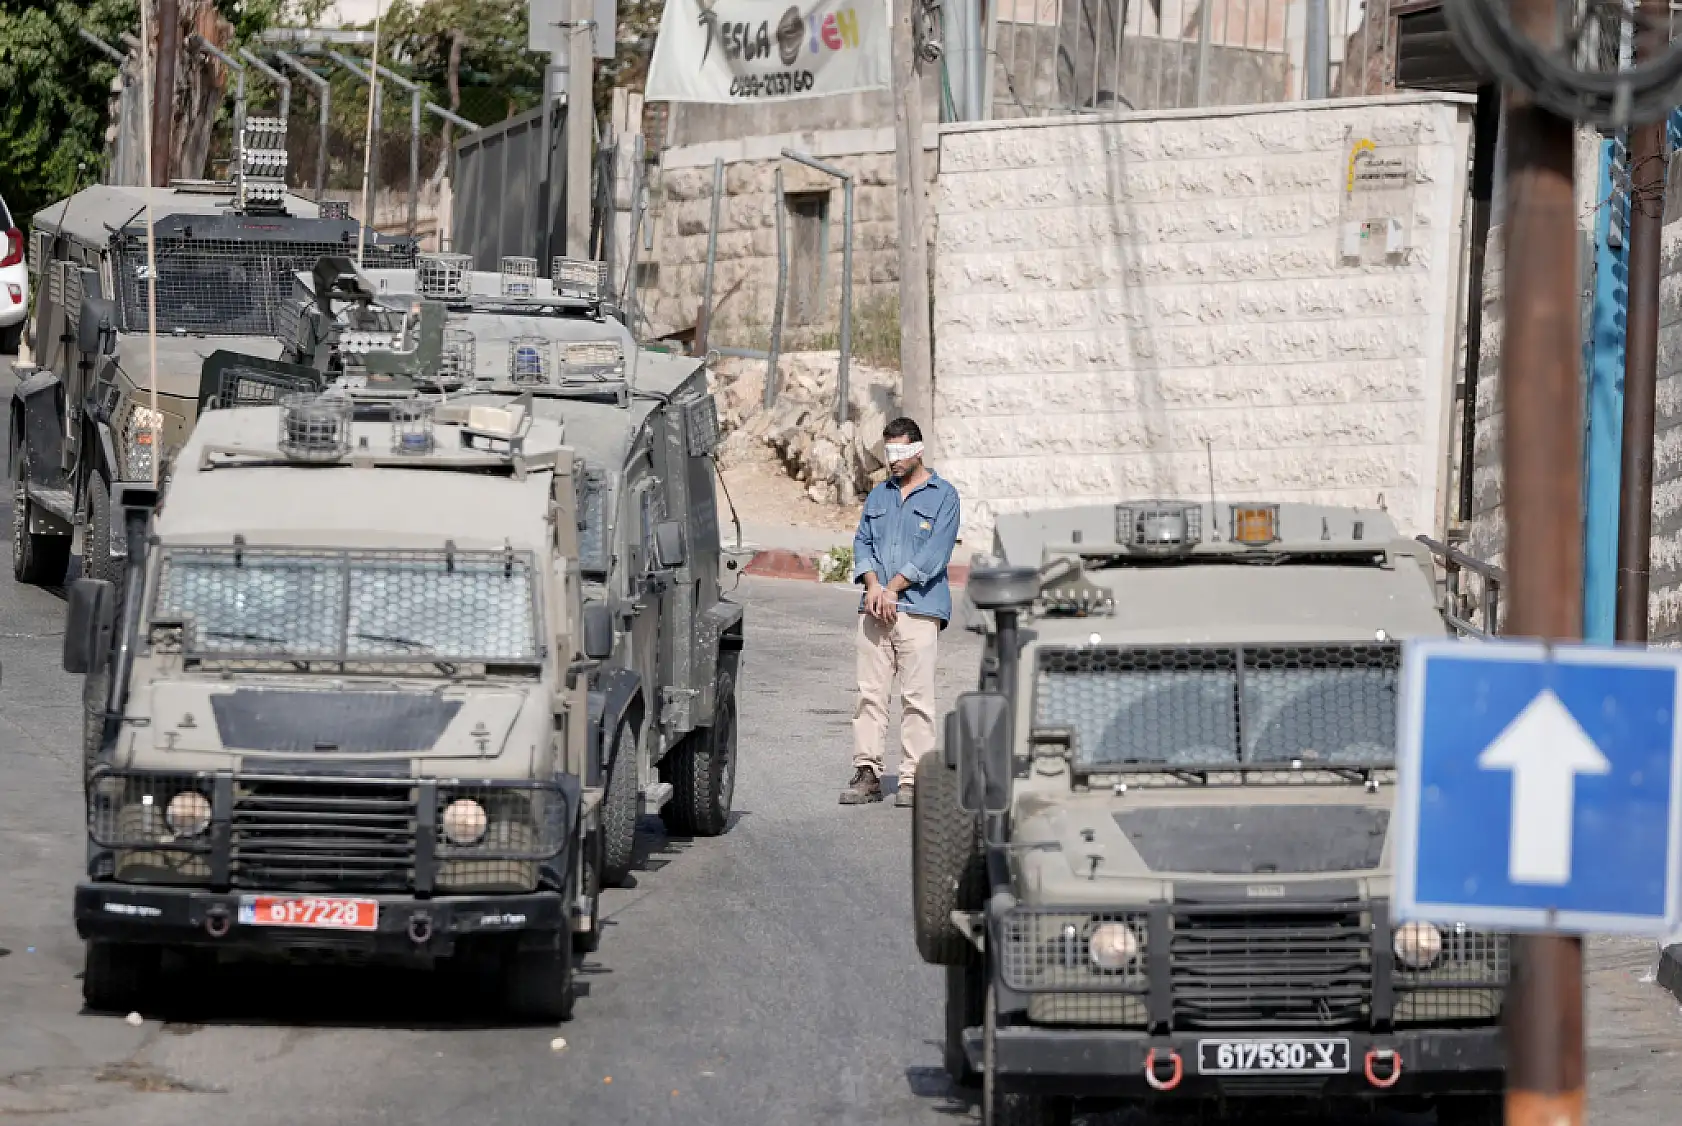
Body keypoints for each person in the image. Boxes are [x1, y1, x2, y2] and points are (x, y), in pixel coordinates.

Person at [840, 417, 961, 807]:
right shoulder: (879, 496)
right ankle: (867, 772)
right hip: (875, 609)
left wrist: (894, 588)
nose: (892, 460)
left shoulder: (943, 496)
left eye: (899, 452)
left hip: (919, 609)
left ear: (917, 450)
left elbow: (936, 553)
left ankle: (913, 778)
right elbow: (862, 543)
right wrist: (874, 585)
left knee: (917, 698)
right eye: (888, 451)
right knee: (869, 695)